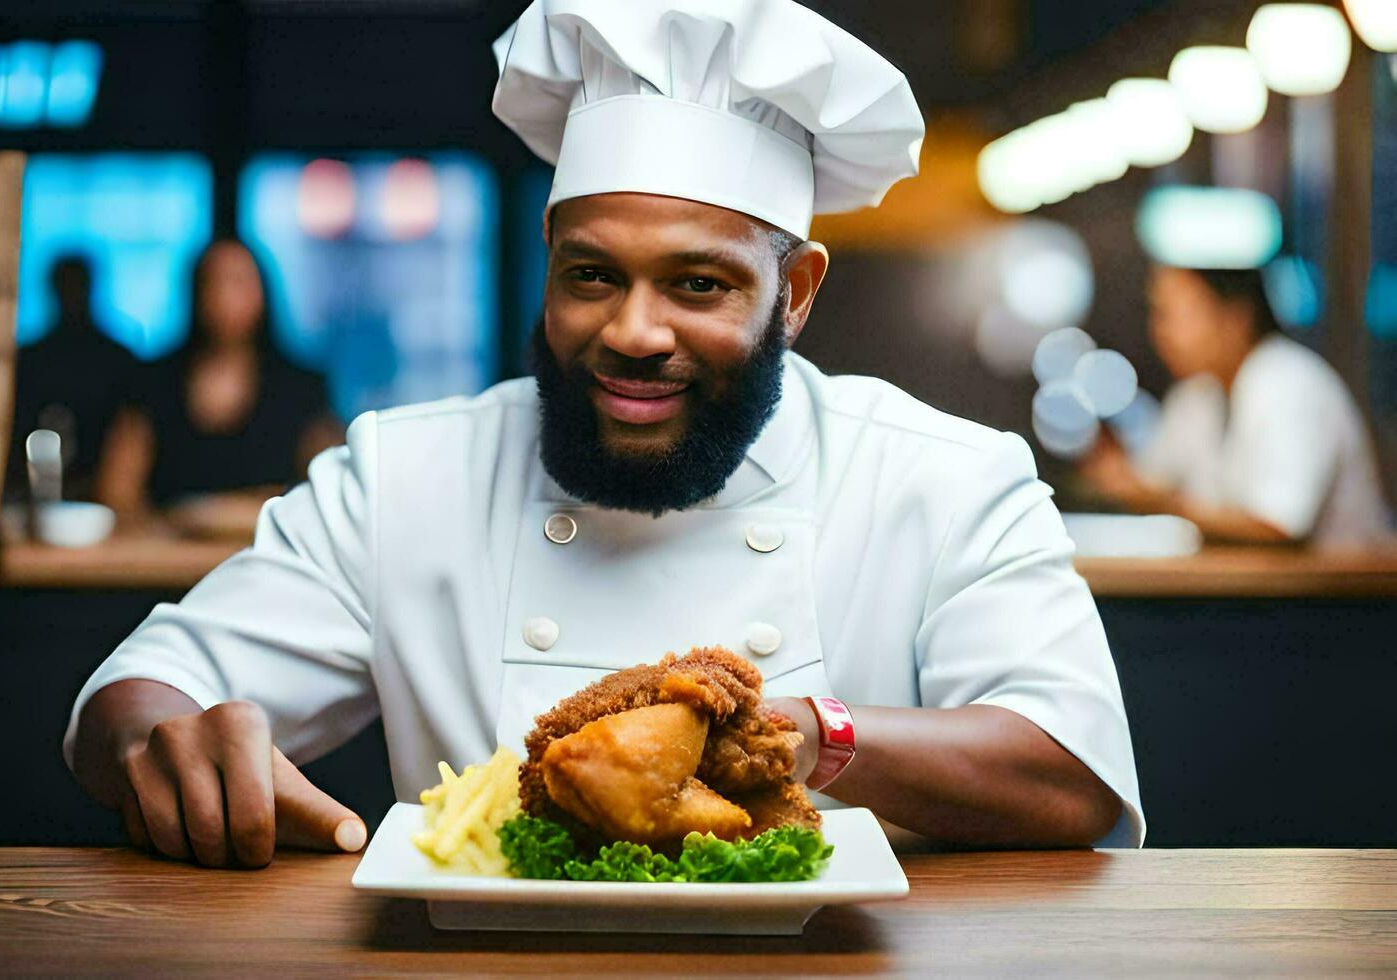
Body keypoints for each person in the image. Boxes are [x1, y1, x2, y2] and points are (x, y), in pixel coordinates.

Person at [65, 0, 1143, 870]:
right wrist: (167, 741)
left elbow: (1075, 770)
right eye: (591, 274)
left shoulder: (944, 477)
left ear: (796, 292)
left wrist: (811, 735)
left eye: (698, 283)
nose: (631, 331)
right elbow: (146, 684)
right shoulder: (409, 473)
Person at [1082, 265, 1393, 547]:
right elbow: (1154, 480)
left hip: (1349, 599)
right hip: (1264, 597)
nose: (1159, 331)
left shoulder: (1287, 380)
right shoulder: (1198, 394)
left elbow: (1276, 525)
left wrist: (1162, 502)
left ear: (1235, 317)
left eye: (1173, 313)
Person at [97, 239, 343, 533]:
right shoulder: (153, 382)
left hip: (273, 562)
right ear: (194, 292)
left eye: (238, 282)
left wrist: (215, 515)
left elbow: (328, 493)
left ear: (263, 291)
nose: (223, 296)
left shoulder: (301, 386)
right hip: (167, 561)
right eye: (212, 282)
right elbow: (117, 492)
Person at [9, 254, 146, 505]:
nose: (71, 294)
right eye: (66, 285)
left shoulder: (119, 360)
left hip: (109, 495)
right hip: (32, 494)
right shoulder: (29, 361)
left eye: (76, 284)